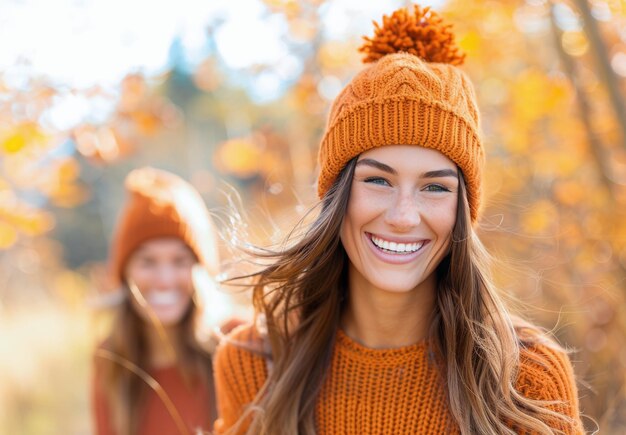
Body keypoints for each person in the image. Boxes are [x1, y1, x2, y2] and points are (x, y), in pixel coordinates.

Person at [213, 5, 584, 435]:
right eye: (378, 181)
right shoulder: (254, 364)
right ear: (336, 195)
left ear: (462, 212)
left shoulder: (526, 380)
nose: (404, 217)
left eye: (435, 187)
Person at [92, 167, 224, 435]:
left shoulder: (238, 343)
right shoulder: (110, 358)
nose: (164, 280)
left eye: (180, 261)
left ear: (200, 269)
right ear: (124, 271)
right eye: (147, 262)